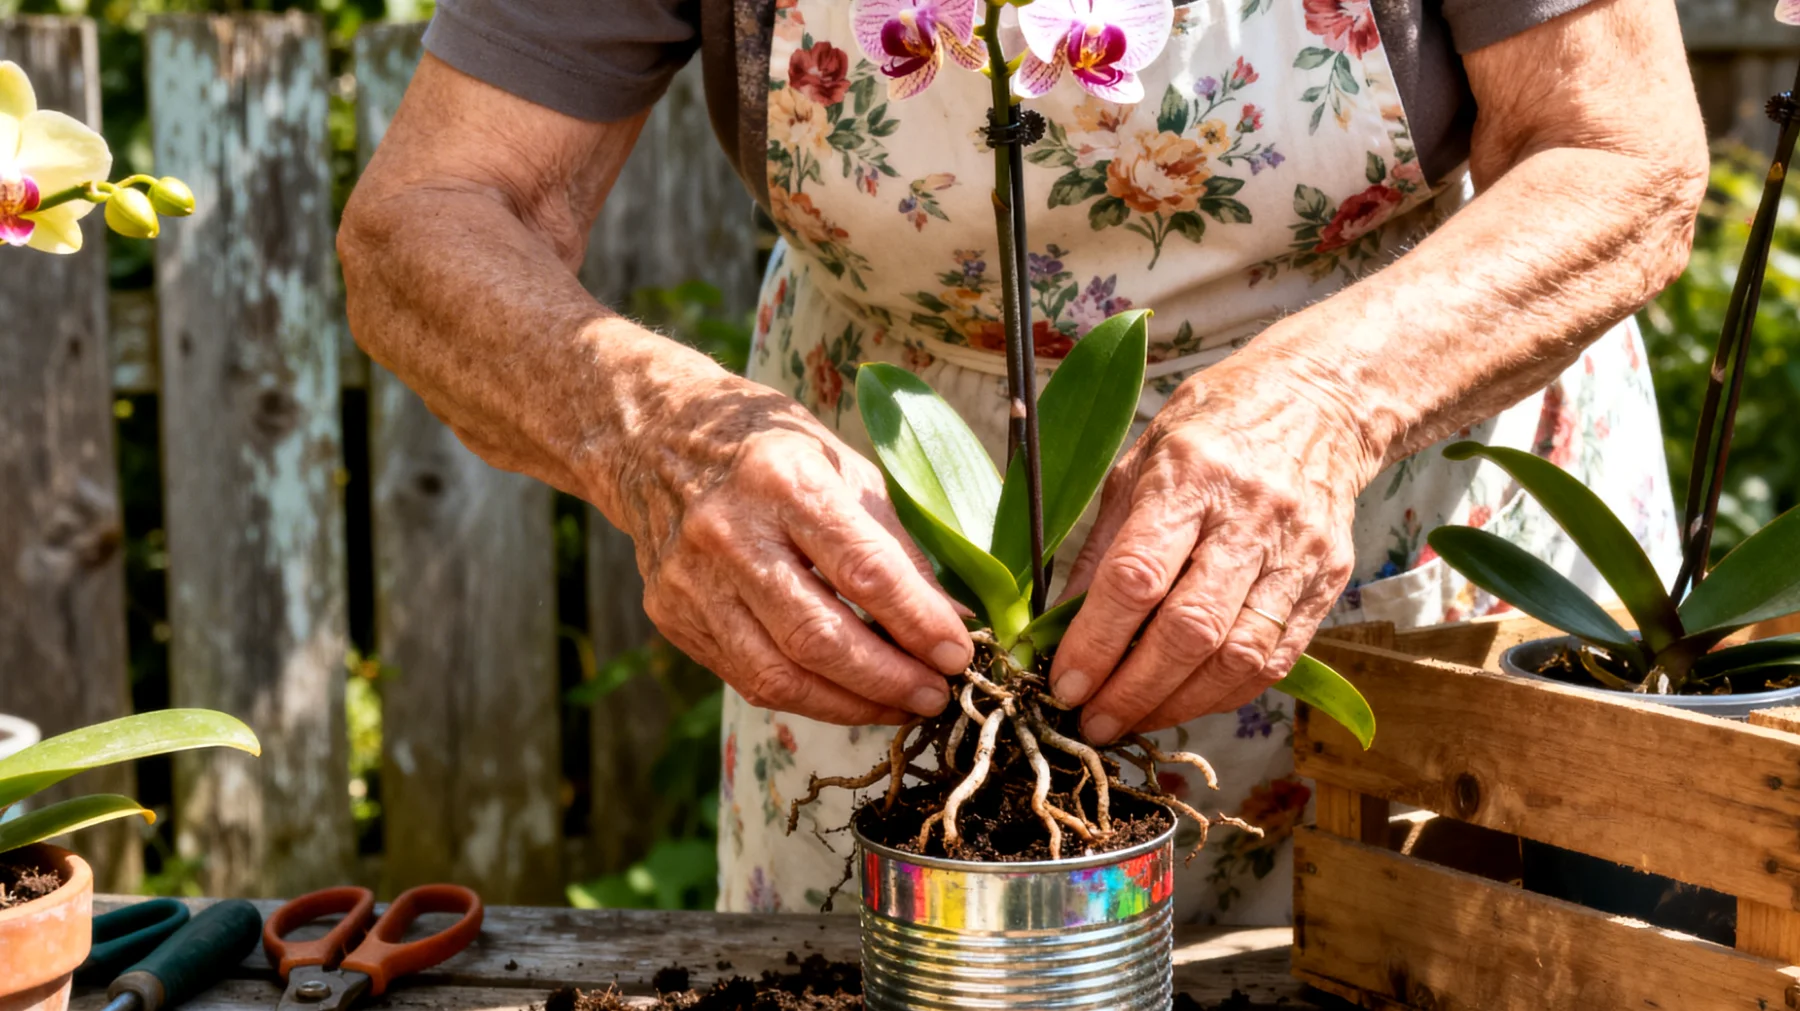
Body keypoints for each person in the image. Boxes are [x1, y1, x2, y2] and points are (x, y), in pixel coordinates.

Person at [339, 0, 1708, 921]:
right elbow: (427, 218)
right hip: (886, 554)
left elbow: (1622, 152)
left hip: (1383, 474)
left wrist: (1325, 401)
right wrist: (653, 433)